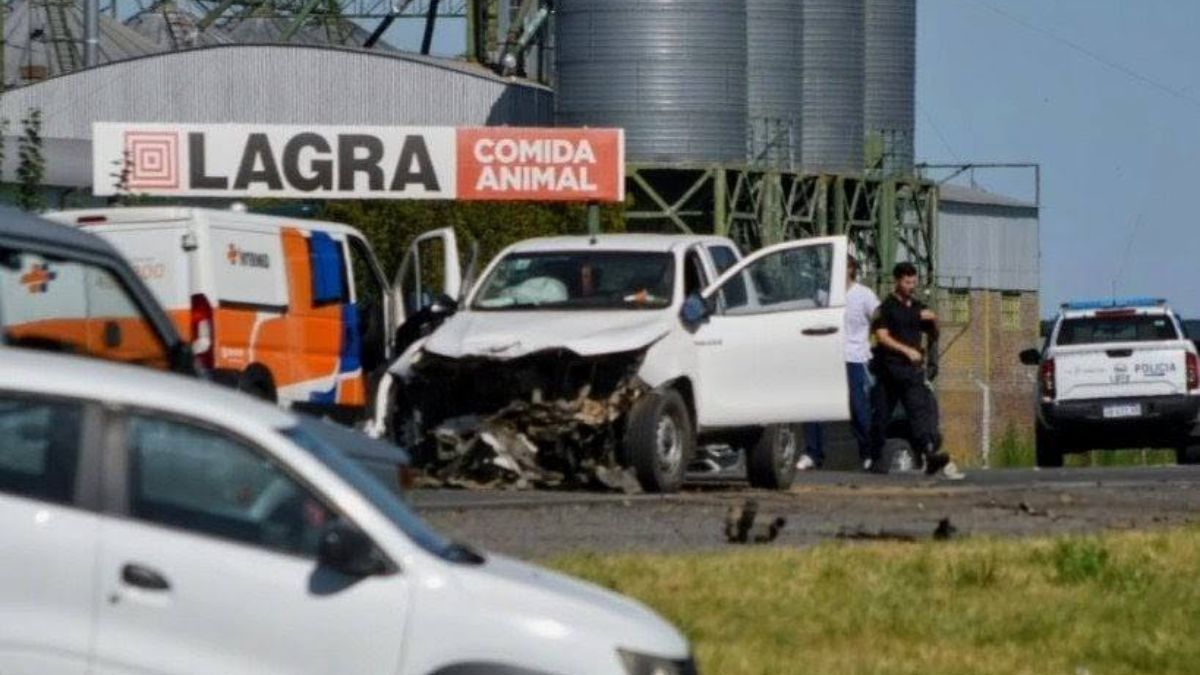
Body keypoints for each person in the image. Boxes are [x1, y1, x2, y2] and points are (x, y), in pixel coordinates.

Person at [868, 262, 962, 479]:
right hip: (888, 370)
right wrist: (906, 350)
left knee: (919, 412)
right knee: (881, 415)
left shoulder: (918, 308)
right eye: (908, 282)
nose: (912, 285)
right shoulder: (886, 308)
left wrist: (935, 320)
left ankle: (930, 454)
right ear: (898, 281)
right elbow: (882, 336)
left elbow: (934, 335)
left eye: (914, 281)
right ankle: (875, 457)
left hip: (910, 372)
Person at [797, 256, 880, 471]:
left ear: (851, 269)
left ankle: (868, 453)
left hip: (853, 357)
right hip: (825, 357)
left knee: (858, 407)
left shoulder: (864, 295)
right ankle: (813, 453)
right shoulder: (822, 294)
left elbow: (880, 320)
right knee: (814, 404)